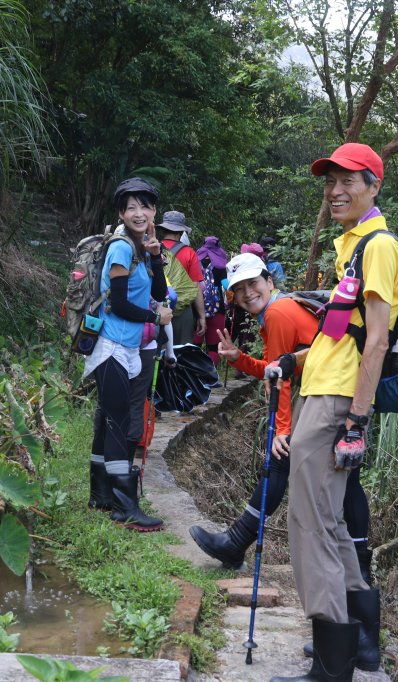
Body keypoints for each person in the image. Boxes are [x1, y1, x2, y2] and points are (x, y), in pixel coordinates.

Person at [268, 143, 398, 682]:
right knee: (326, 521)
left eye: (349, 180)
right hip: (322, 389)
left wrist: (357, 421)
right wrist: (294, 359)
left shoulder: (378, 247)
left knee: (310, 526)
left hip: (337, 403)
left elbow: (375, 343)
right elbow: (339, 336)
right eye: (330, 181)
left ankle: (330, 665)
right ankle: (360, 647)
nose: (336, 189)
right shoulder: (352, 246)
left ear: (374, 185)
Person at [188, 253, 374, 588]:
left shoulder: (277, 312)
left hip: (335, 393)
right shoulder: (280, 309)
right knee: (345, 479)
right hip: (343, 389)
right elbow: (280, 366)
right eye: (239, 289)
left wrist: (282, 431)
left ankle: (237, 542)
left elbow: (281, 381)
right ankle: (359, 568)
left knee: (283, 462)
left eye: (253, 283)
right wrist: (240, 359)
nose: (247, 293)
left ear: (269, 281)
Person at [85, 177, 174, 532]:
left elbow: (159, 289)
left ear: (154, 211)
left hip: (124, 347)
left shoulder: (140, 247)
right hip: (112, 347)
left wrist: (155, 257)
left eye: (145, 206)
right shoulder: (121, 247)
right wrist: (155, 316)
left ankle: (100, 495)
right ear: (121, 212)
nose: (139, 213)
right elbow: (119, 303)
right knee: (118, 425)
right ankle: (125, 507)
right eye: (131, 207)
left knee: (107, 420)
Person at [158, 211, 206, 345]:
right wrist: (202, 317)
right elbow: (195, 288)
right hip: (181, 311)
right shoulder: (189, 253)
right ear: (181, 232)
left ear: (162, 229)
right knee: (180, 351)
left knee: (155, 350)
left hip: (155, 307)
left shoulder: (152, 249)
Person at [194, 235, 229, 364]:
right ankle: (211, 374)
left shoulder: (196, 261)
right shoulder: (220, 263)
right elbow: (226, 285)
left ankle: (193, 373)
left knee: (195, 344)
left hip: (197, 308)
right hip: (217, 308)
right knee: (214, 345)